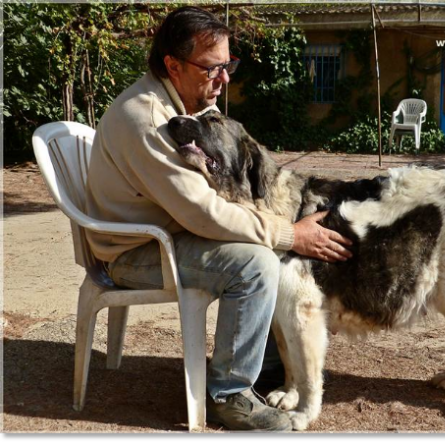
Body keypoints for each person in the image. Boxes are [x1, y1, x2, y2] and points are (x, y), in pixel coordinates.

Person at [85, 6, 352, 432]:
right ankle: (229, 396)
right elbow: (203, 212)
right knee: (257, 262)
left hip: (168, 232)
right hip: (134, 251)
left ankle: (260, 370)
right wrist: (290, 234)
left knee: (259, 244)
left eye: (229, 65)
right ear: (172, 64)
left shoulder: (177, 103)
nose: (225, 79)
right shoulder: (147, 120)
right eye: (213, 68)